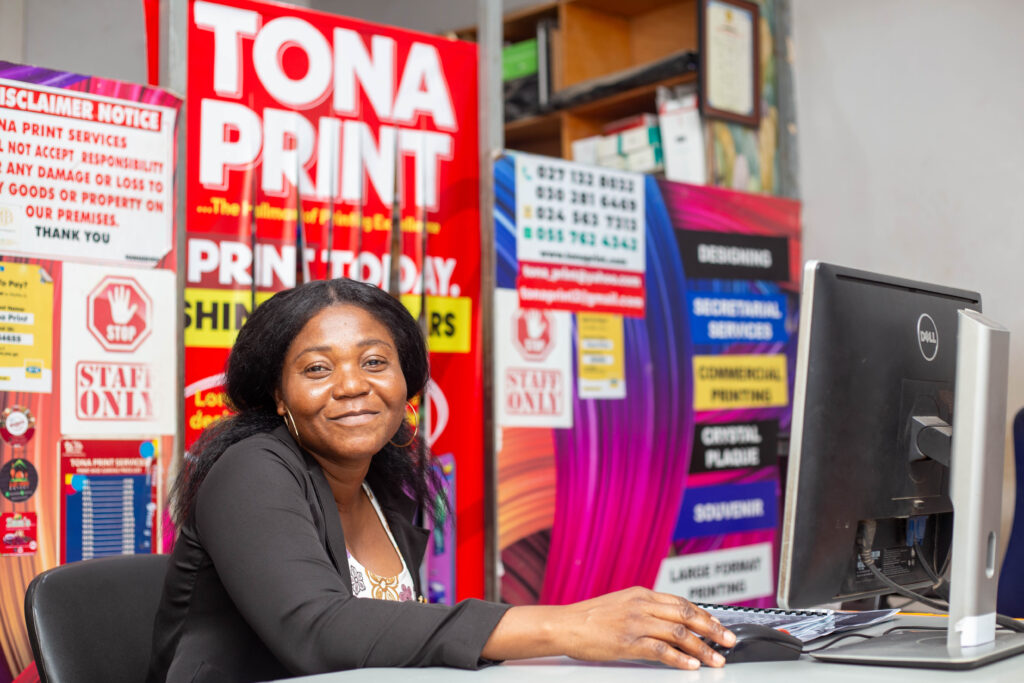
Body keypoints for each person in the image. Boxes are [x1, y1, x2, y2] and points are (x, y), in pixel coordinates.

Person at [148, 278, 735, 682]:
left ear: (407, 382)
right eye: (318, 369)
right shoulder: (251, 468)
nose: (353, 385)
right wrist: (569, 624)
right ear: (278, 396)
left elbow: (386, 638)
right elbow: (319, 631)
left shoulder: (381, 484)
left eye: (375, 362)